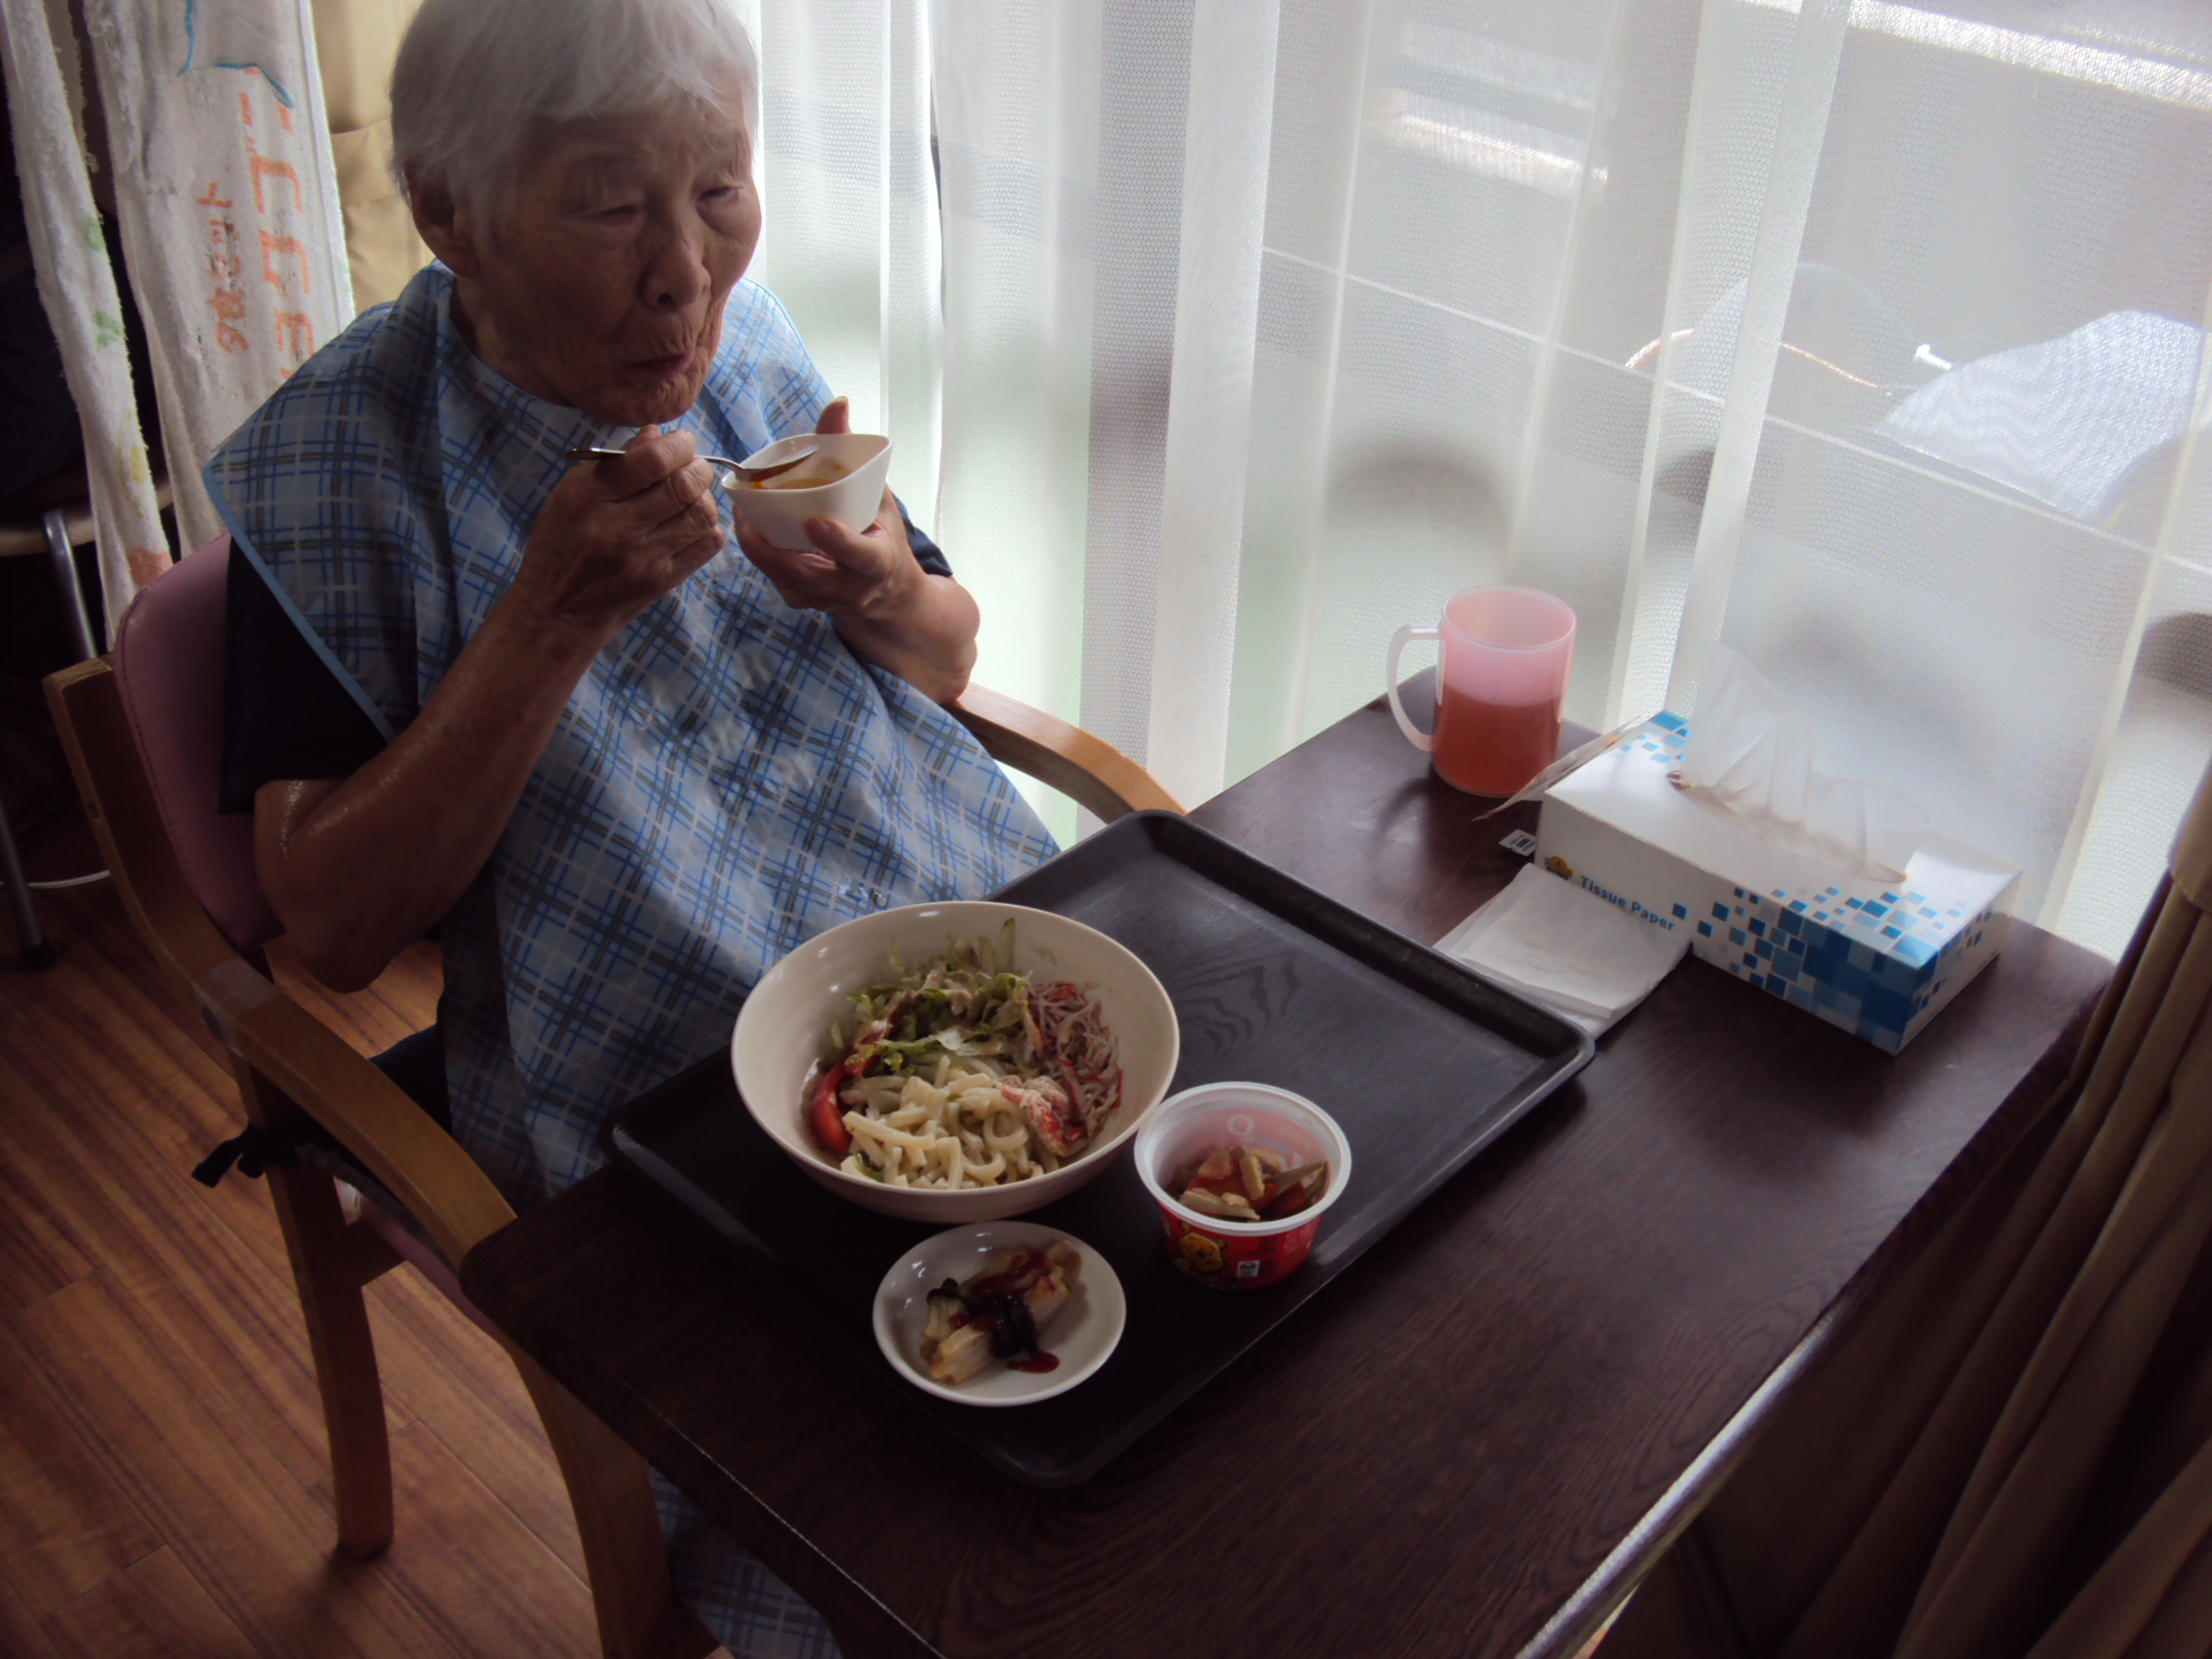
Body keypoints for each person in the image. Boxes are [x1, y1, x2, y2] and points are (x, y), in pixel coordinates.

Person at [207, 0, 1056, 1650]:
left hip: (953, 929)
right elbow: (329, 922)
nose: (687, 274)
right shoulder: (341, 459)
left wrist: (884, 588)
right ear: (451, 215)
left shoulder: (745, 347)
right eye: (610, 205)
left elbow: (949, 660)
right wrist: (548, 618)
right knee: (920, 1524)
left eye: (721, 191)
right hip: (656, 1062)